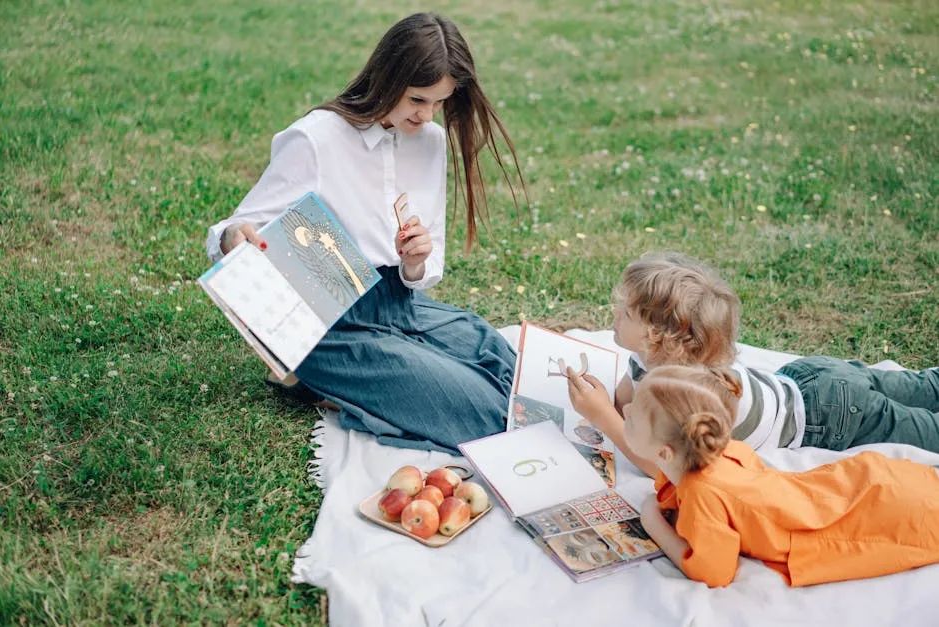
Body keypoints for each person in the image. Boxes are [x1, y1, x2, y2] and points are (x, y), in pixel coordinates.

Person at [205, 13, 525, 453]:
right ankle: (319, 378)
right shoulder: (318, 139)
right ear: (388, 78)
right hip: (332, 325)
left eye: (439, 102)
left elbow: (423, 273)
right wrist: (233, 237)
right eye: (417, 99)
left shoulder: (429, 141)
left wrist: (415, 261)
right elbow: (232, 230)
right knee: (485, 413)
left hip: (400, 306)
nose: (427, 115)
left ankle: (340, 389)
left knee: (507, 368)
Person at [566, 251, 939, 476]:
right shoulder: (652, 357)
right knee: (925, 387)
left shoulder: (684, 395)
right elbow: (628, 396)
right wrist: (606, 402)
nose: (614, 314)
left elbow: (658, 465)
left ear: (660, 336)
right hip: (812, 378)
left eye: (627, 313)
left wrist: (603, 418)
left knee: (927, 431)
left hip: (829, 419)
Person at [603, 364, 939, 587]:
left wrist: (652, 522)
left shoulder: (702, 493)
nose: (626, 411)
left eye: (630, 420)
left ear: (665, 453)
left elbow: (714, 571)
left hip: (885, 515)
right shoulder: (725, 450)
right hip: (871, 483)